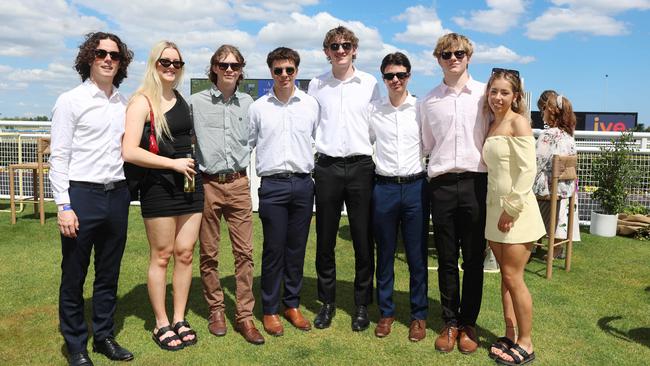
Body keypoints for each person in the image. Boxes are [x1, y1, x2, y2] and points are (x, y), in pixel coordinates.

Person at [49, 31, 134, 366]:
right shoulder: (70, 100)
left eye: (114, 54)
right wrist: (64, 205)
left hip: (117, 194)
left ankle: (103, 336)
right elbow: (59, 156)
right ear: (89, 58)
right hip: (81, 194)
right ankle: (76, 344)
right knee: (74, 272)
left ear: (121, 62)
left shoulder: (124, 103)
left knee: (108, 273)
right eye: (101, 53)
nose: (108, 59)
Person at [122, 41, 203, 351]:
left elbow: (187, 138)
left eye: (177, 63)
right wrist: (172, 163)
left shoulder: (180, 98)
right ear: (154, 63)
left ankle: (180, 318)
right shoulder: (142, 101)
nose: (171, 67)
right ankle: (161, 323)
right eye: (165, 62)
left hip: (189, 186)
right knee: (162, 255)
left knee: (185, 252)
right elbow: (129, 151)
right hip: (158, 187)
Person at [308, 25, 381, 331]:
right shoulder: (316, 85)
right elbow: (310, 126)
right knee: (325, 239)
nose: (340, 51)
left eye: (346, 45)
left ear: (355, 50)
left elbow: (378, 126)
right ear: (327, 51)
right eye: (335, 46)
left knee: (363, 239)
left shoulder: (370, 83)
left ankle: (362, 304)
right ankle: (327, 302)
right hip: (327, 168)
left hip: (361, 167)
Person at [190, 45, 264, 345]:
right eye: (223, 65)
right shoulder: (195, 102)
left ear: (241, 69)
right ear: (214, 68)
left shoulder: (250, 103)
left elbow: (260, 136)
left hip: (238, 185)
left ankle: (244, 316)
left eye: (234, 65)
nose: (229, 70)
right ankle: (216, 310)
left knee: (244, 253)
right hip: (207, 184)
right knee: (208, 253)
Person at [419, 32, 487, 354]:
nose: (454, 58)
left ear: (469, 56)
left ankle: (468, 323)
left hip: (476, 183)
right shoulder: (429, 101)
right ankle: (449, 322)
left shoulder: (486, 96)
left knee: (473, 259)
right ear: (438, 59)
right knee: (446, 258)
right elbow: (428, 144)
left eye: (459, 53)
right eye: (447, 54)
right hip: (442, 184)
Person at [248, 47, 319, 337]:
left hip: (303, 184)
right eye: (278, 70)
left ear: (297, 71)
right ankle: (270, 309)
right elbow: (248, 144)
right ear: (271, 73)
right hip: (273, 186)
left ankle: (292, 305)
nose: (284, 75)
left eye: (289, 70)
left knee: (296, 250)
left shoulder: (311, 105)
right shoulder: (258, 107)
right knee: (274, 250)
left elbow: (318, 139)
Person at [483, 68, 546, 365]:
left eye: (504, 92)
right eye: (493, 91)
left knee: (513, 277)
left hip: (515, 213)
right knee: (505, 279)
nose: (498, 97)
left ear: (516, 96)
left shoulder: (519, 122)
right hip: (494, 212)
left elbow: (528, 171)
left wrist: (511, 209)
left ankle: (526, 343)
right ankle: (509, 333)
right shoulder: (493, 124)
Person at [369, 52, 428, 342]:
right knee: (386, 254)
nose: (395, 80)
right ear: (383, 78)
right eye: (390, 76)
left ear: (409, 76)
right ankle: (386, 312)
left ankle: (419, 316)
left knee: (417, 256)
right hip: (384, 188)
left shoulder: (420, 109)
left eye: (401, 75)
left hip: (416, 187)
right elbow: (365, 141)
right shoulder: (374, 110)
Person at [533, 90, 579, 259]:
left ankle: (527, 244)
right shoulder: (569, 136)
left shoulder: (547, 135)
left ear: (550, 111)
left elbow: (535, 163)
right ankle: (557, 249)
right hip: (565, 190)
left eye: (543, 110)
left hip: (547, 190)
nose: (542, 114)